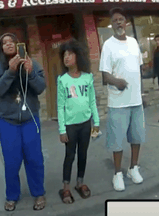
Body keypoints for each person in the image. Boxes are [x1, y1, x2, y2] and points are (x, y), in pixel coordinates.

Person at [0, 33, 46, 211]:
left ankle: (38, 193)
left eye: (11, 41)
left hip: (30, 119)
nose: (9, 45)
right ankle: (12, 195)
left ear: (18, 44)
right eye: (4, 43)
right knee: (11, 162)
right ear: (1, 49)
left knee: (35, 159)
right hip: (8, 122)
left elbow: (41, 87)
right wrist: (10, 72)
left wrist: (30, 73)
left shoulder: (32, 63)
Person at [99, 8, 145, 192]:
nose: (119, 22)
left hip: (136, 101)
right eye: (115, 20)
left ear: (126, 22)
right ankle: (117, 173)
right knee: (117, 141)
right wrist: (117, 82)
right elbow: (104, 75)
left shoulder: (134, 42)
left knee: (137, 138)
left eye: (121, 19)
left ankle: (133, 168)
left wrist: (140, 90)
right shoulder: (108, 45)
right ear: (111, 25)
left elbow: (139, 68)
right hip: (118, 103)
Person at [57, 38, 100, 204]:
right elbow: (60, 107)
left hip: (85, 124)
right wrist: (62, 130)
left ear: (78, 56)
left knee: (83, 154)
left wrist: (95, 124)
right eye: (64, 55)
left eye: (70, 54)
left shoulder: (87, 77)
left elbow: (92, 102)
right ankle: (66, 187)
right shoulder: (62, 80)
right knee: (70, 156)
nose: (66, 58)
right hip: (69, 126)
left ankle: (80, 183)